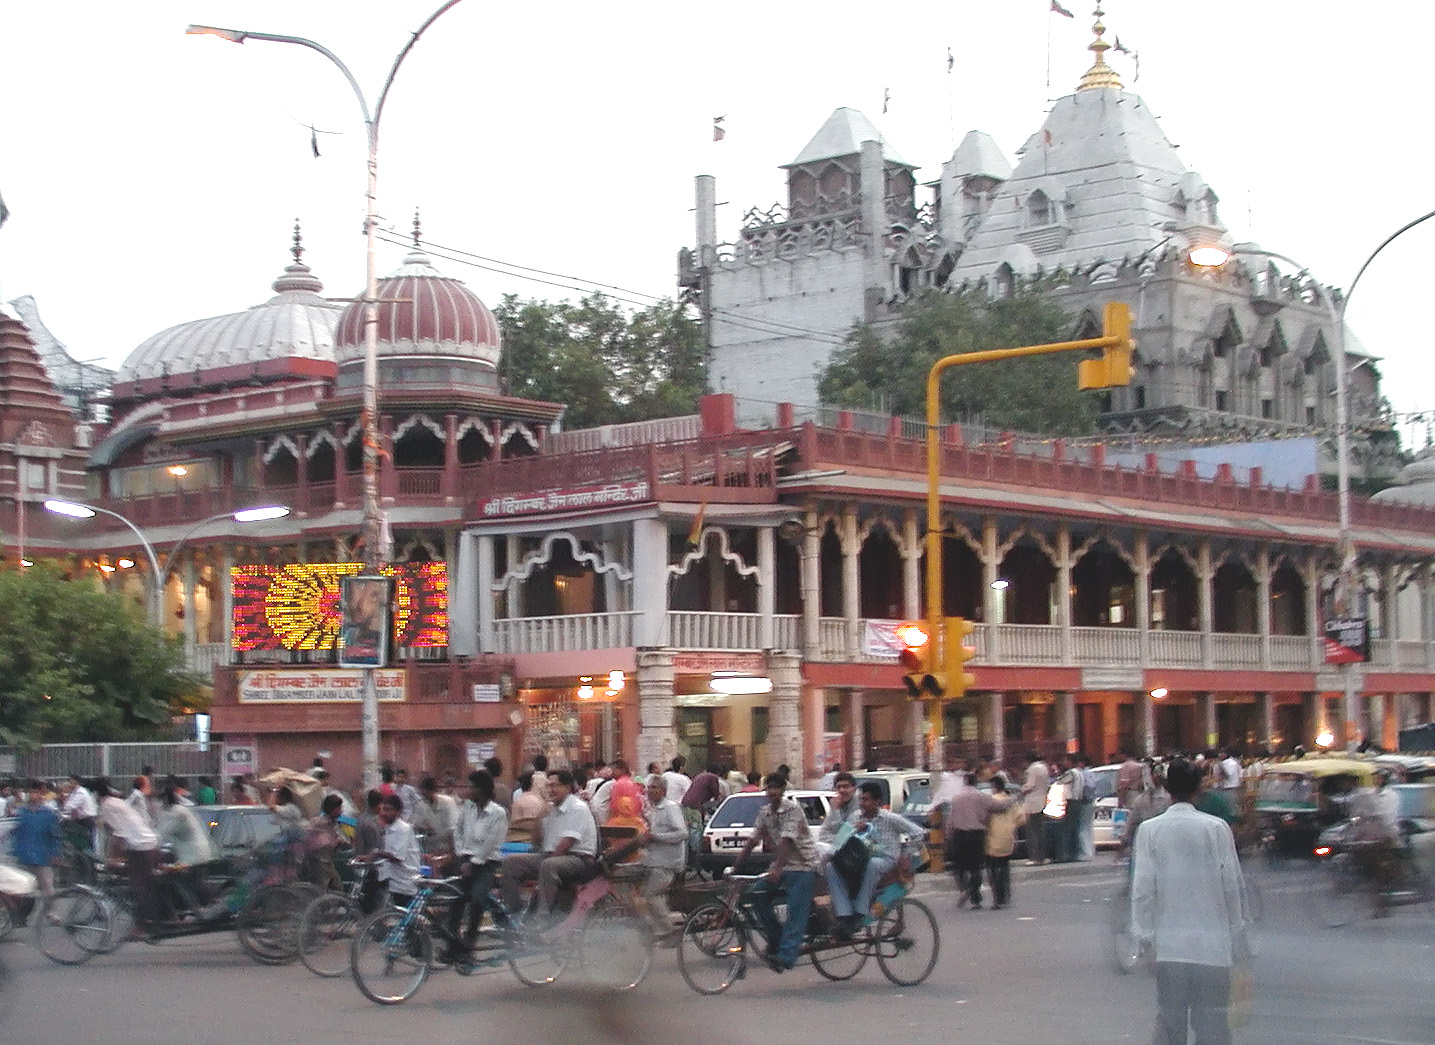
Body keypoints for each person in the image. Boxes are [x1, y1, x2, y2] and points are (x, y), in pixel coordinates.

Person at [1132, 759, 1249, 1045]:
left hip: (1170, 948)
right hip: (1213, 947)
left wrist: (1144, 941)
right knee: (1213, 1026)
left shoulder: (1150, 830)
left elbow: (1143, 891)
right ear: (1198, 789)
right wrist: (1238, 936)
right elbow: (1232, 886)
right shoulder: (1216, 829)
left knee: (1170, 1024)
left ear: (1168, 790)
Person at [734, 773, 820, 972]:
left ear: (782, 791)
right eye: (769, 788)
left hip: (803, 866)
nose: (772, 792)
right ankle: (777, 938)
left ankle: (786, 957)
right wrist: (735, 866)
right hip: (781, 867)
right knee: (755, 896)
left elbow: (786, 842)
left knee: (795, 912)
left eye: (776, 788)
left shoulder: (793, 810)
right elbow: (753, 839)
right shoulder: (765, 812)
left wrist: (778, 868)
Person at [825, 781, 925, 938]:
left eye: (866, 800)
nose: (862, 804)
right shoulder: (856, 817)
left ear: (877, 802)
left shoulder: (890, 818)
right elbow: (840, 837)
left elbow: (919, 833)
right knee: (832, 867)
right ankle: (843, 915)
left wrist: (905, 854)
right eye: (861, 800)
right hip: (857, 859)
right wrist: (851, 830)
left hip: (885, 859)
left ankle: (860, 910)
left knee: (872, 865)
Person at [500, 770, 598, 920]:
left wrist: (547, 859)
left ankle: (542, 916)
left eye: (555, 785)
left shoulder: (578, 808)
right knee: (510, 862)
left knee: (548, 865)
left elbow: (566, 843)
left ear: (567, 787)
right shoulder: (551, 809)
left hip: (578, 859)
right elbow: (536, 840)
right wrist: (540, 817)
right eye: (548, 786)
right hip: (552, 856)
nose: (551, 790)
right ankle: (514, 908)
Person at [445, 770, 509, 961]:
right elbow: (458, 831)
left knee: (476, 900)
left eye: (472, 786)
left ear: (482, 789)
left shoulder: (498, 813)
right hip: (466, 859)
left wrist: (474, 863)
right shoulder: (467, 808)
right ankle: (453, 945)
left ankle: (469, 945)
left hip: (487, 863)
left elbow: (491, 842)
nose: (469, 790)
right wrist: (461, 854)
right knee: (455, 900)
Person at [97, 778, 162, 934]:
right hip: (148, 843)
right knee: (147, 885)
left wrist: (112, 858)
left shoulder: (107, 805)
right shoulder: (118, 802)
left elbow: (119, 833)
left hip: (140, 847)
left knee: (139, 887)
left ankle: (142, 925)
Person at [939, 772, 1009, 908]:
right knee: (976, 867)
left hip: (960, 835)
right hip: (977, 835)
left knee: (959, 867)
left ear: (965, 782)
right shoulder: (982, 797)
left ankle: (965, 888)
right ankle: (975, 896)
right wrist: (1014, 799)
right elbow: (999, 807)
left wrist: (947, 835)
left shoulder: (956, 798)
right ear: (975, 783)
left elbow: (951, 820)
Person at [636, 774, 686, 939]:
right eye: (648, 788)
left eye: (654, 788)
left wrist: (656, 837)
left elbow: (682, 833)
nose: (650, 791)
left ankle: (669, 931)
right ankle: (654, 926)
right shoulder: (655, 809)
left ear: (663, 791)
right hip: (654, 859)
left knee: (652, 895)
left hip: (667, 862)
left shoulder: (670, 807)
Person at [358, 794, 421, 912]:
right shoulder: (387, 829)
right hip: (392, 878)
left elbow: (397, 857)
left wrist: (376, 854)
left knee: (407, 915)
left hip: (405, 879)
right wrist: (369, 858)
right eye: (383, 809)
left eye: (388, 810)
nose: (384, 813)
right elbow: (387, 854)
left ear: (398, 812)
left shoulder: (404, 829)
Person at [11, 782, 61, 899]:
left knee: (47, 888)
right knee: (22, 889)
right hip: (24, 855)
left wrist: (55, 854)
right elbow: (15, 831)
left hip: (43, 855)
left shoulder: (48, 814)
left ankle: (50, 912)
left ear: (41, 795)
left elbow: (55, 835)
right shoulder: (22, 813)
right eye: (31, 792)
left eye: (36, 792)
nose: (33, 795)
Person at [985, 775, 1027, 910]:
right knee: (1004, 868)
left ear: (994, 787)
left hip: (992, 839)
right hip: (1008, 839)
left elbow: (984, 819)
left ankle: (997, 898)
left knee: (992, 869)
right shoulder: (1011, 802)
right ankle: (1005, 895)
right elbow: (1022, 819)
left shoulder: (990, 802)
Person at [411, 776, 460, 856]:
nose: (424, 797)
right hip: (431, 849)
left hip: (449, 848)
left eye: (426, 793)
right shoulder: (421, 804)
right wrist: (423, 828)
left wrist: (452, 853)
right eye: (421, 794)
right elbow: (415, 825)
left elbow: (453, 829)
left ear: (433, 790)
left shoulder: (447, 803)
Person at [816, 772, 860, 857]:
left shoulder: (859, 806)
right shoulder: (836, 805)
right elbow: (822, 835)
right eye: (838, 787)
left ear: (854, 788)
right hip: (835, 849)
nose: (842, 790)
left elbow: (846, 835)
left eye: (845, 787)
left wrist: (836, 811)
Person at [1019, 751, 1051, 865]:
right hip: (1042, 800)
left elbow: (1030, 785)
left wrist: (1021, 789)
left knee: (1032, 831)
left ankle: (1034, 857)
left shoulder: (1032, 769)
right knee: (1041, 831)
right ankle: (1043, 856)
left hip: (1032, 802)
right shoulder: (1044, 767)